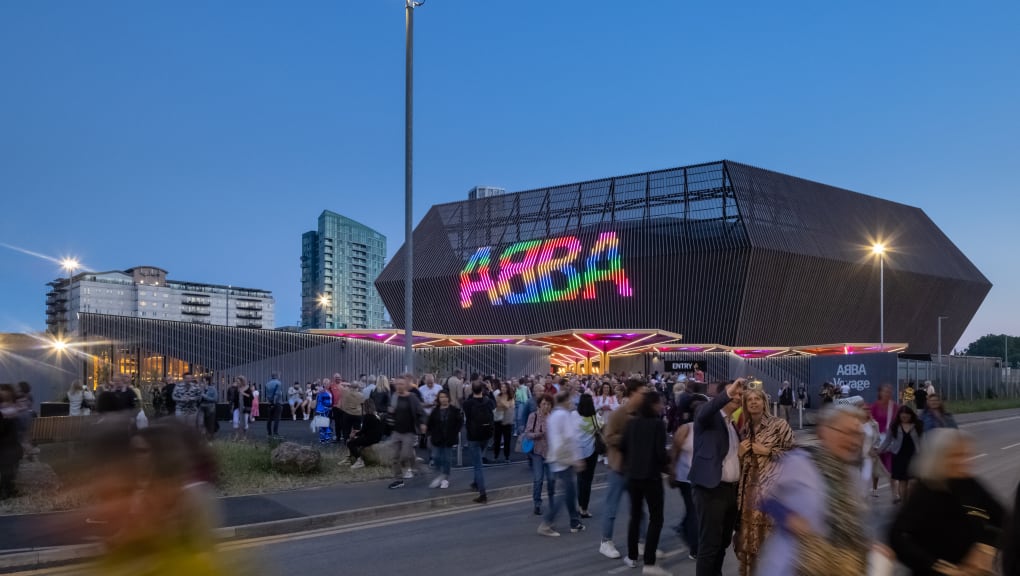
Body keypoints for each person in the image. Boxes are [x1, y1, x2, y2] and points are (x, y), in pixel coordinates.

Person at [756, 405, 879, 575]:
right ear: (824, 432)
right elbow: (760, 493)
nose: (853, 441)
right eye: (846, 432)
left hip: (839, 565)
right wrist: (788, 517)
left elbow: (858, 521)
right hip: (795, 564)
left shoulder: (853, 476)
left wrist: (868, 544)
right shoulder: (799, 462)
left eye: (858, 434)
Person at [889, 429, 1004, 576]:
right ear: (938, 458)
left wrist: (986, 548)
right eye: (956, 456)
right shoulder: (924, 492)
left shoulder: (969, 483)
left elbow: (1003, 519)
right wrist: (938, 566)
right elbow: (898, 538)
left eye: (967, 455)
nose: (965, 461)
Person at [734, 387, 794, 576]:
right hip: (749, 491)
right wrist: (740, 454)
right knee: (749, 542)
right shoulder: (744, 428)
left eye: (757, 399)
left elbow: (794, 455)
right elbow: (740, 463)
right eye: (749, 399)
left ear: (764, 402)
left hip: (772, 490)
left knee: (771, 539)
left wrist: (768, 452)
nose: (753, 402)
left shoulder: (779, 425)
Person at [691, 378, 744, 576]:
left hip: (730, 492)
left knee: (722, 543)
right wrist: (728, 393)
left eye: (740, 394)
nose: (739, 397)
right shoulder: (707, 417)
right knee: (709, 546)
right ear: (722, 396)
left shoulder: (732, 425)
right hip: (711, 490)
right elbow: (706, 410)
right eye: (734, 393)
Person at [619, 390, 670, 575]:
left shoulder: (631, 423)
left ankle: (632, 557)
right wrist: (667, 463)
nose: (662, 406)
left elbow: (622, 446)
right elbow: (660, 453)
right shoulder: (658, 425)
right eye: (660, 403)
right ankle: (649, 562)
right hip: (652, 477)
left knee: (635, 516)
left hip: (633, 476)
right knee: (656, 518)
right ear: (653, 405)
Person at [601, 378, 648, 562]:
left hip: (635, 468)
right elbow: (609, 437)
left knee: (638, 508)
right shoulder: (619, 414)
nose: (644, 396)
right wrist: (630, 437)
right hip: (618, 468)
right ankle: (606, 541)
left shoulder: (642, 414)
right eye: (642, 393)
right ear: (633, 393)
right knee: (612, 507)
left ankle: (641, 540)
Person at [537, 390, 585, 537]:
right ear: (565, 401)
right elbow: (570, 438)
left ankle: (574, 521)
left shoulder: (554, 416)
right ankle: (547, 523)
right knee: (566, 492)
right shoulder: (564, 415)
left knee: (569, 491)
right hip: (565, 458)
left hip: (556, 457)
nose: (571, 403)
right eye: (570, 401)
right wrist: (577, 458)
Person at [669, 394, 706, 561]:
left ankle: (684, 528)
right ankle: (695, 548)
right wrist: (672, 473)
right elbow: (674, 452)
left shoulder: (711, 429)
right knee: (694, 512)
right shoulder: (685, 429)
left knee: (696, 511)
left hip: (704, 478)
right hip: (686, 478)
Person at [879, 405, 923, 504]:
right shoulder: (894, 425)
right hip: (899, 456)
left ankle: (911, 501)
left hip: (914, 456)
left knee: (913, 482)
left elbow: (923, 440)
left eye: (907, 416)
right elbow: (887, 440)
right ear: (899, 416)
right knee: (903, 481)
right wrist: (879, 450)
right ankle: (904, 504)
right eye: (902, 417)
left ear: (911, 415)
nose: (905, 418)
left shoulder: (918, 425)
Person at [387, 375, 425, 489]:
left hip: (409, 432)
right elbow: (391, 411)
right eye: (397, 384)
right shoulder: (394, 396)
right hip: (396, 431)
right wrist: (390, 412)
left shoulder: (412, 397)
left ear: (406, 385)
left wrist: (423, 423)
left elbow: (421, 412)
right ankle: (398, 480)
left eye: (401, 384)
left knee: (404, 456)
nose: (398, 386)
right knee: (395, 457)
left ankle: (414, 465)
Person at [461, 381, 495, 503]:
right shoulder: (488, 402)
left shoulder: (468, 404)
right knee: (479, 458)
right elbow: (494, 403)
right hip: (486, 435)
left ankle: (483, 493)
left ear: (471, 390)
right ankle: (476, 483)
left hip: (473, 436)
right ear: (483, 389)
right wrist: (490, 391)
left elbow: (464, 407)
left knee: (477, 466)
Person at [426, 391, 462, 488]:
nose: (443, 399)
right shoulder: (435, 411)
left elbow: (459, 423)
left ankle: (445, 478)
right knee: (436, 457)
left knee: (447, 459)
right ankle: (441, 473)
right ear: (438, 399)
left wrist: (454, 433)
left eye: (445, 397)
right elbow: (430, 424)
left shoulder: (454, 410)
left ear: (448, 398)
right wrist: (429, 434)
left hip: (449, 438)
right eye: (441, 397)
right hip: (437, 438)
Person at [525, 393, 554, 515]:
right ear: (539, 405)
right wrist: (538, 434)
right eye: (543, 404)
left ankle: (552, 503)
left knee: (552, 480)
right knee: (538, 479)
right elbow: (528, 433)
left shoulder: (553, 417)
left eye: (548, 404)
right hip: (537, 452)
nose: (546, 406)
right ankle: (537, 503)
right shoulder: (533, 416)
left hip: (551, 453)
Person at [576, 393, 602, 519]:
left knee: (579, 480)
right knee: (587, 481)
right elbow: (602, 427)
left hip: (577, 452)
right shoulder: (595, 417)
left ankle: (578, 505)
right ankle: (584, 508)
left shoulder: (574, 416)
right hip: (591, 452)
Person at [871, 383, 899, 496]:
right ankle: (874, 488)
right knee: (876, 469)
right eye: (885, 391)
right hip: (877, 441)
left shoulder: (895, 406)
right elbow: (870, 422)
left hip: (889, 441)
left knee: (890, 468)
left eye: (889, 391)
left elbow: (898, 421)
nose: (887, 393)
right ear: (880, 393)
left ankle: (895, 494)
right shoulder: (874, 406)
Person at [0, 384, 23, 500]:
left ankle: (8, 488)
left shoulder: (14, 407)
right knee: (6, 468)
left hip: (11, 442)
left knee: (11, 467)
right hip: (5, 444)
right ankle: (5, 490)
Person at [346, 401, 383, 470]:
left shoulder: (368, 416)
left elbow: (363, 431)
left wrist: (354, 434)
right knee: (356, 440)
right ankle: (350, 458)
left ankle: (359, 461)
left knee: (350, 443)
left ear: (366, 407)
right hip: (377, 437)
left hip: (371, 438)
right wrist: (357, 433)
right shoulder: (377, 416)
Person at [492, 381, 515, 463]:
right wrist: (500, 403)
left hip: (507, 421)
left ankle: (507, 457)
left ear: (508, 388)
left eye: (505, 387)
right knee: (497, 439)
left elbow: (507, 406)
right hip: (498, 420)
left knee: (507, 440)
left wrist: (500, 402)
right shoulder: (498, 396)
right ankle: (496, 456)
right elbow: (497, 406)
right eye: (502, 387)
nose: (503, 389)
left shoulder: (510, 397)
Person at [264, 372, 284, 438]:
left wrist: (270, 402)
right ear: (277, 376)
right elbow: (277, 394)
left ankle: (269, 433)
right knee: (276, 419)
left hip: (269, 403)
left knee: (269, 419)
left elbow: (266, 395)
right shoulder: (278, 383)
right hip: (277, 403)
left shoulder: (267, 384)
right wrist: (274, 403)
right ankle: (275, 433)